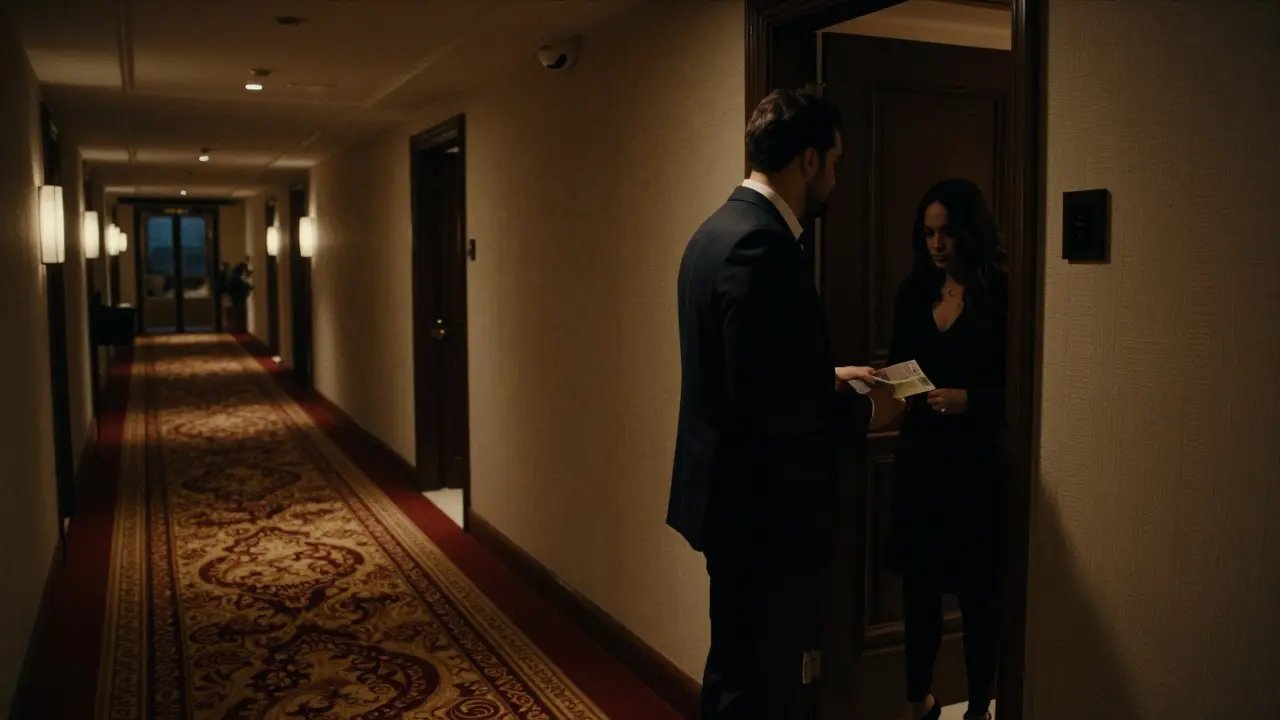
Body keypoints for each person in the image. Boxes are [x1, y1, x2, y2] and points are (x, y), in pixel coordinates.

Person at [668, 88, 901, 719]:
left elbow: (745, 365)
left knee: (736, 667)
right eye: (836, 161)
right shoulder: (762, 247)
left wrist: (824, 374)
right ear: (808, 161)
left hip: (732, 500)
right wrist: (866, 411)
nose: (836, 176)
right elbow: (767, 405)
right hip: (762, 509)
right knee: (761, 683)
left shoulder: (714, 233)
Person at [884, 179, 1008, 720]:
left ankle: (981, 706)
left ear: (969, 233)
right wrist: (900, 389)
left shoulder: (1000, 293)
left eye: (946, 233)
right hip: (921, 462)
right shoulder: (913, 293)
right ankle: (919, 703)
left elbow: (1021, 386)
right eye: (928, 233)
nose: (936, 244)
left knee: (979, 599)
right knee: (920, 596)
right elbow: (895, 364)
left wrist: (970, 400)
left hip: (975, 465)